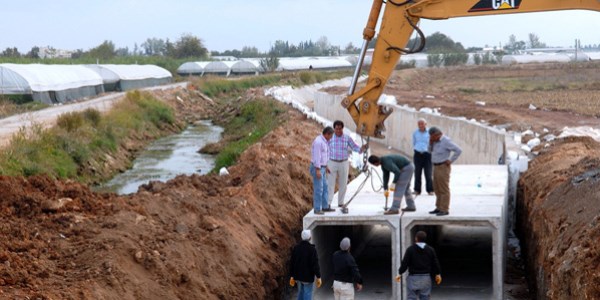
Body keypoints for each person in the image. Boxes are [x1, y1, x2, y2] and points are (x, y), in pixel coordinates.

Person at [327, 120, 366, 209]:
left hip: (344, 163)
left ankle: (341, 203)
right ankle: (328, 203)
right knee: (330, 184)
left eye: (340, 129)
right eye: (336, 129)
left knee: (343, 184)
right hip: (332, 162)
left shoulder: (347, 138)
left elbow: (354, 147)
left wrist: (361, 149)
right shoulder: (330, 138)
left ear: (342, 129)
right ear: (334, 129)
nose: (338, 131)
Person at [396, 231, 442, 300]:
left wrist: (400, 273)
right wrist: (438, 274)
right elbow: (435, 263)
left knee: (411, 298)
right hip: (426, 278)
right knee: (425, 297)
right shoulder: (430, 250)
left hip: (413, 278)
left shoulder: (410, 250)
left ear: (416, 238)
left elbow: (405, 263)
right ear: (425, 239)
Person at [428, 127, 462, 216]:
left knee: (443, 188)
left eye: (432, 137)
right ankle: (438, 207)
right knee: (436, 188)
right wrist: (430, 143)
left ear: (437, 135)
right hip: (435, 166)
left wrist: (451, 160)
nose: (431, 138)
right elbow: (429, 151)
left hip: (443, 166)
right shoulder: (434, 141)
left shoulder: (446, 141)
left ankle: (444, 209)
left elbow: (458, 150)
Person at [289, 230, 322, 300]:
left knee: (300, 292)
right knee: (307, 293)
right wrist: (318, 276)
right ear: (310, 237)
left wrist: (292, 275)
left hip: (298, 276)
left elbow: (292, 262)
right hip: (307, 277)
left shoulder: (296, 248)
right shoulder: (312, 249)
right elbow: (315, 264)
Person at [310, 126, 334, 215]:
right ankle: (317, 208)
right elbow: (317, 157)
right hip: (318, 168)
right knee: (318, 189)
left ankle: (325, 206)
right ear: (327, 134)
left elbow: (324, 156)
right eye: (330, 136)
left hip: (323, 168)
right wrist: (318, 170)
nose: (331, 138)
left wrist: (326, 166)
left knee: (325, 187)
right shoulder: (318, 142)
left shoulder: (325, 141)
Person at [412, 118, 434, 196]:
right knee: (417, 173)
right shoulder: (415, 133)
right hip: (418, 154)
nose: (421, 125)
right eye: (419, 124)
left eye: (422, 124)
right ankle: (417, 190)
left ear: (426, 124)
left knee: (428, 173)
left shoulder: (430, 132)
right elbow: (414, 142)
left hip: (427, 154)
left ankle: (430, 190)